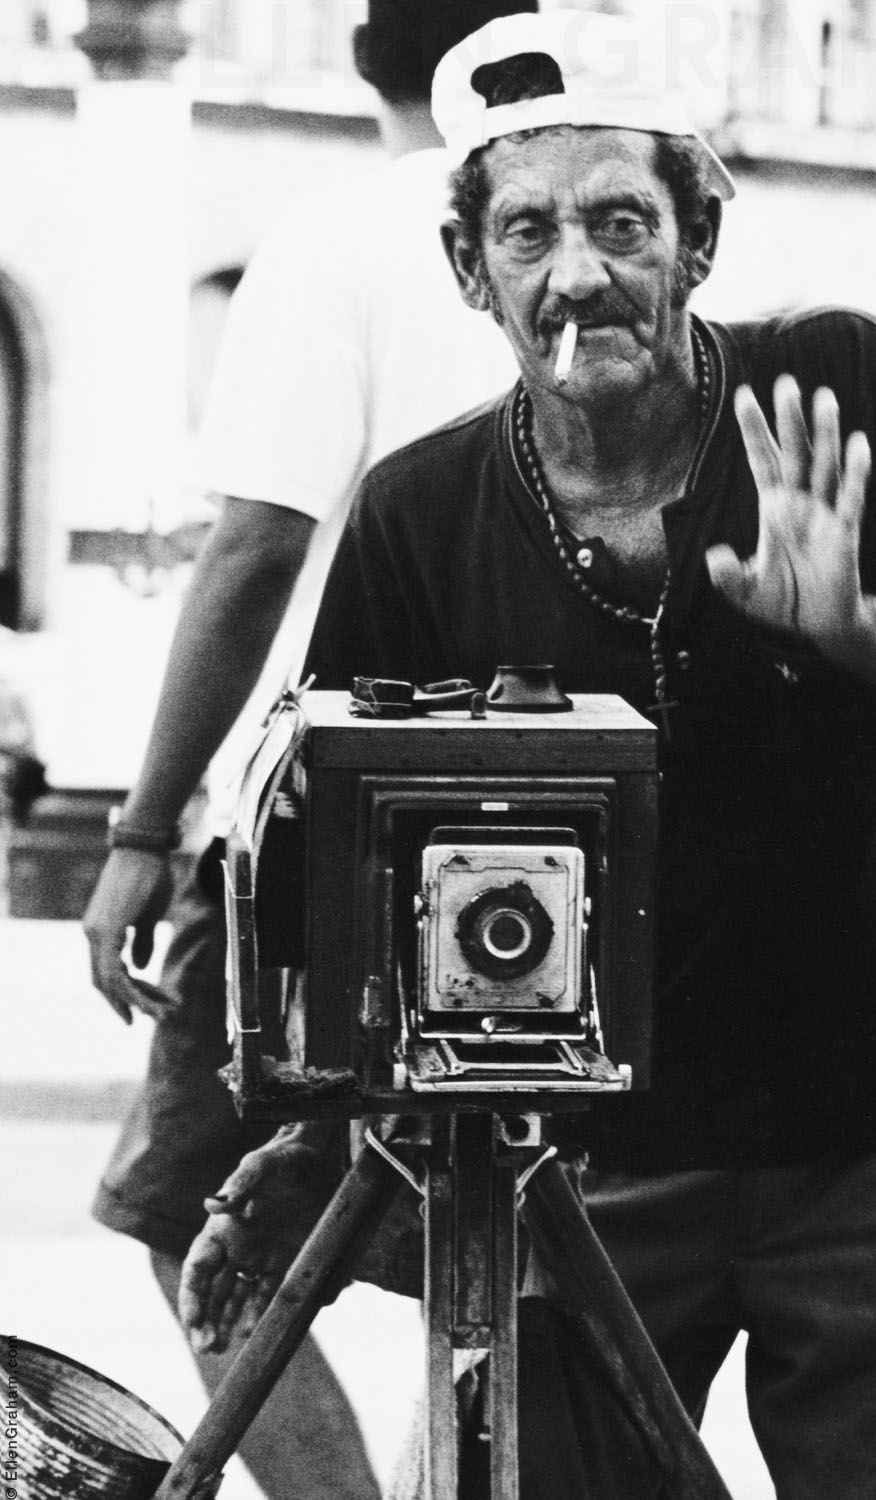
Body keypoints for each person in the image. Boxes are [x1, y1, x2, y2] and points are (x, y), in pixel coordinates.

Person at [178, 12, 876, 1498]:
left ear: (696, 240)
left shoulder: (834, 383)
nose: (575, 272)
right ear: (470, 270)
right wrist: (332, 1142)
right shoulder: (417, 510)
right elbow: (348, 864)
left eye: (619, 222)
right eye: (525, 230)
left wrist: (855, 623)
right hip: (582, 1159)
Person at [81, 5, 535, 1497]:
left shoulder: (346, 232)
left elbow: (256, 543)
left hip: (327, 821)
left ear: (362, 55)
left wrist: (143, 826)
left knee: (185, 1206)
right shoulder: (614, 222)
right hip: (566, 815)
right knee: (513, 1223)